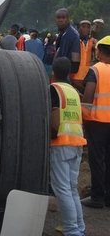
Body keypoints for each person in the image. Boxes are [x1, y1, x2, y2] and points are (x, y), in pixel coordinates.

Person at [49, 57, 87, 236]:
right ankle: (78, 227)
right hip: (77, 142)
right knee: (71, 188)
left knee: (62, 188)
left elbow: (54, 115)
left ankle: (72, 230)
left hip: (61, 142)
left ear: (53, 72)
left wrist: (50, 136)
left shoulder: (54, 89)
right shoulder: (73, 91)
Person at [80, 36, 110, 209]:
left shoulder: (96, 70)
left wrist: (84, 115)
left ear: (99, 51)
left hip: (97, 122)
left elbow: (89, 92)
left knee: (97, 159)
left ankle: (97, 196)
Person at [70, 20, 96, 91]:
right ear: (78, 28)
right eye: (83, 27)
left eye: (88, 27)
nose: (86, 29)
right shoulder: (74, 40)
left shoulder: (93, 41)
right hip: (74, 76)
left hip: (87, 77)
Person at [54, 8, 81, 80]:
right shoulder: (62, 34)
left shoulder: (72, 35)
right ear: (55, 20)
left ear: (68, 19)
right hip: (60, 72)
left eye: (63, 17)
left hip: (67, 75)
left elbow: (75, 59)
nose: (61, 20)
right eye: (58, 17)